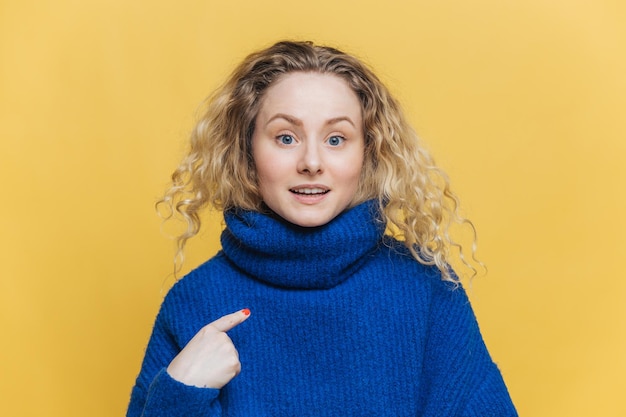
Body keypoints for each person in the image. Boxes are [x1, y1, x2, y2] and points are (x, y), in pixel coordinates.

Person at [127, 40, 517, 416]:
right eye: (285, 137)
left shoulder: (426, 291)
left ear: (368, 152)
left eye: (336, 138)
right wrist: (179, 395)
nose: (312, 161)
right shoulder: (194, 302)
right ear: (246, 151)